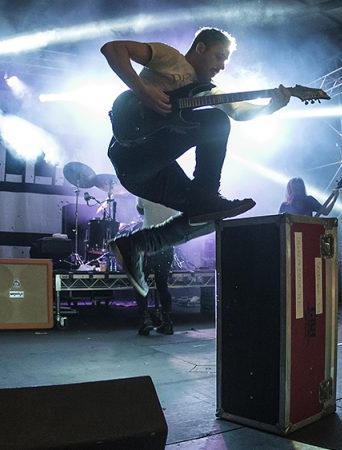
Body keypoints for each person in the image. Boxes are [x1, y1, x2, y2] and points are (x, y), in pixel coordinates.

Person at [101, 27, 291, 297]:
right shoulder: (170, 58)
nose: (222, 66)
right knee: (215, 121)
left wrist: (271, 107)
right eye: (219, 56)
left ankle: (136, 245)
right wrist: (142, 90)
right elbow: (113, 49)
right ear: (200, 48)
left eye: (225, 61)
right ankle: (207, 195)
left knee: (209, 216)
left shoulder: (208, 90)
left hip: (148, 173)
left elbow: (237, 112)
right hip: (132, 150)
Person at [135, 197, 177, 336]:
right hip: (166, 243)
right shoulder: (174, 192)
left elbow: (140, 209)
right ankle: (167, 323)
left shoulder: (144, 192)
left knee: (141, 283)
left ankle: (145, 321)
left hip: (149, 242)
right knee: (162, 284)